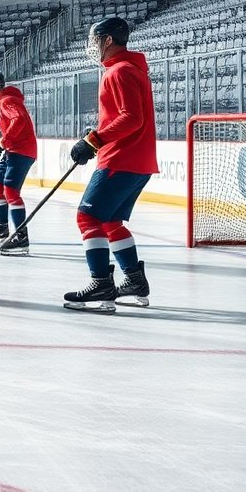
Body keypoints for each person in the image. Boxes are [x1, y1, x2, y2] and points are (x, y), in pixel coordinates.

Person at [64, 17, 157, 313]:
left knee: (87, 219)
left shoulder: (119, 71)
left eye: (95, 40)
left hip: (121, 158)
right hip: (137, 160)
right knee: (109, 222)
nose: (93, 46)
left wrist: (94, 140)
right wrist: (96, 140)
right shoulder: (130, 69)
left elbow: (132, 118)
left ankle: (101, 285)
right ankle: (133, 281)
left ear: (107, 41)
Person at [0, 73, 37, 255]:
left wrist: (2, 142)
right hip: (13, 150)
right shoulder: (1, 101)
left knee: (10, 190)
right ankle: (3, 227)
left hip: (22, 151)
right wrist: (1, 143)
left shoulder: (6, 100)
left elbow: (18, 120)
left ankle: (21, 236)